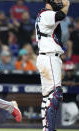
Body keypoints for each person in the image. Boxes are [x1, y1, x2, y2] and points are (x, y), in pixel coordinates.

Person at [35, 0, 70, 130]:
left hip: (47, 57)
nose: (60, 2)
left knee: (47, 98)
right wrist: (67, 5)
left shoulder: (43, 15)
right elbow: (61, 15)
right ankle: (50, 129)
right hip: (49, 57)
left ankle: (46, 129)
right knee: (56, 94)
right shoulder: (46, 13)